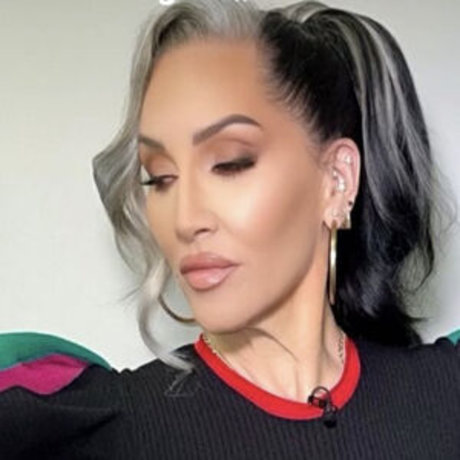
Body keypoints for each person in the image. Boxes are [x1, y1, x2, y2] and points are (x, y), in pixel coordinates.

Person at [0, 0, 459, 458]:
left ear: (336, 180)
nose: (185, 220)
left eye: (230, 163)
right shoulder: (113, 432)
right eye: (159, 178)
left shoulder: (443, 395)